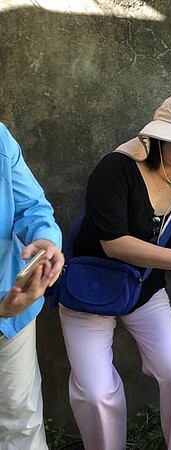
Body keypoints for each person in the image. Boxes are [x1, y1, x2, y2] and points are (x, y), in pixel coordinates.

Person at [58, 94, 171, 450]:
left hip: (145, 292)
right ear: (159, 137)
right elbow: (114, 243)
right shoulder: (116, 169)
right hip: (89, 290)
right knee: (95, 393)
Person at [0, 122, 64, 449]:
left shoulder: (0, 138)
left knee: (20, 419)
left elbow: (32, 206)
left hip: (12, 312)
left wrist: (45, 238)